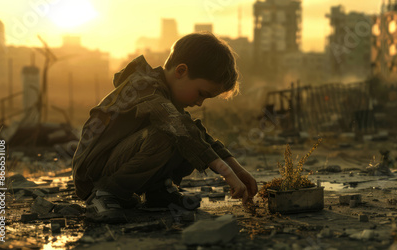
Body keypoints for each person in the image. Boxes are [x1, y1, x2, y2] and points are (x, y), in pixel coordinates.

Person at [72, 32, 258, 223]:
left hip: (119, 158)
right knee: (174, 134)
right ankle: (104, 194)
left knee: (191, 135)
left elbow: (197, 136)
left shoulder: (168, 95)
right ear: (181, 71)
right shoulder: (144, 86)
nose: (200, 103)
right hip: (92, 173)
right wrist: (226, 174)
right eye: (201, 93)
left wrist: (237, 170)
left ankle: (158, 192)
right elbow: (177, 128)